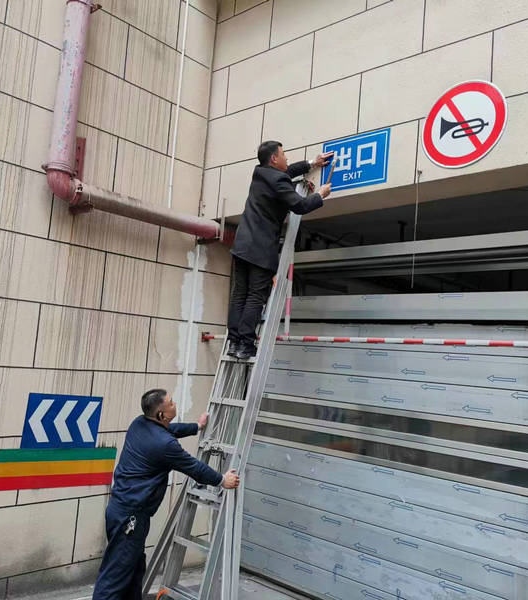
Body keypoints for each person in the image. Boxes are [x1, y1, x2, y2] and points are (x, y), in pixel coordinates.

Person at [92, 389, 240, 600]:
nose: (175, 404)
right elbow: (194, 467)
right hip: (130, 518)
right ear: (161, 414)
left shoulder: (139, 424)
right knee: (115, 577)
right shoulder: (164, 445)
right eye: (171, 403)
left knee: (134, 569)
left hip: (121, 511)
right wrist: (222, 480)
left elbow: (170, 429)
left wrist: (196, 427)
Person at [226, 141, 334, 359]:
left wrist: (311, 163)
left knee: (239, 294)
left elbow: (287, 172)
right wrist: (320, 195)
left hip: (242, 245)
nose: (286, 158)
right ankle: (246, 344)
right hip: (260, 248)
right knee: (255, 296)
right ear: (274, 159)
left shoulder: (261, 173)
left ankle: (234, 342)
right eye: (283, 154)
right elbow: (300, 206)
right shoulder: (278, 180)